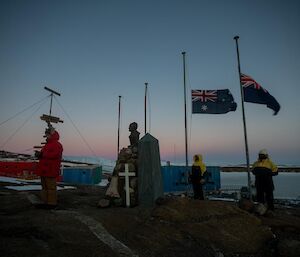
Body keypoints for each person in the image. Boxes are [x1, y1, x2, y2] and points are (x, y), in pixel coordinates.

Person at [36, 127, 63, 209]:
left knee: (51, 188)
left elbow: (55, 155)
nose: (46, 136)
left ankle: (51, 204)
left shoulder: (57, 145)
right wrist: (39, 155)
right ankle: (45, 201)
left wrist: (42, 155)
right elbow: (44, 155)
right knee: (44, 187)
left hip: (50, 169)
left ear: (52, 135)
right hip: (44, 169)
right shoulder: (47, 145)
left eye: (48, 134)